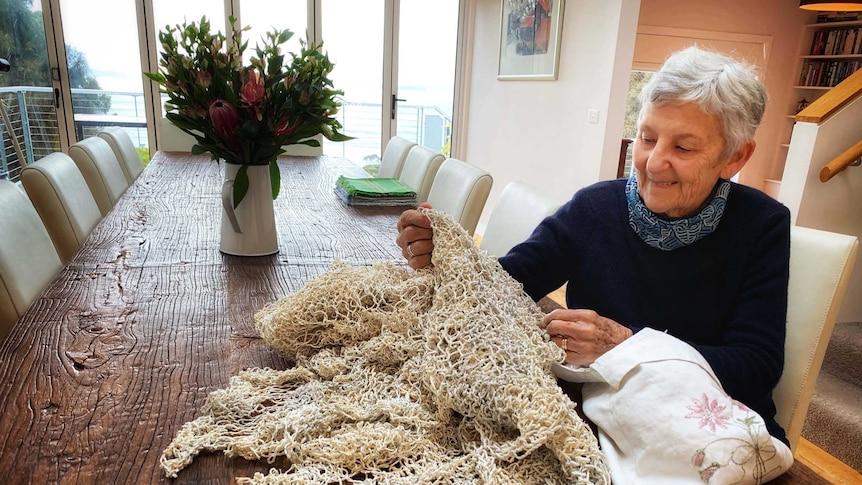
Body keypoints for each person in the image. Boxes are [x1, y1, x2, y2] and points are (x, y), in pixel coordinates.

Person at [396, 46, 790, 445]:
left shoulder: (762, 226)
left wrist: (625, 345)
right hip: (598, 418)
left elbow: (756, 366)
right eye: (647, 138)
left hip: (708, 437)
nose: (653, 163)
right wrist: (447, 257)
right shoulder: (596, 206)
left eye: (683, 148)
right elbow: (510, 281)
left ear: (735, 156)